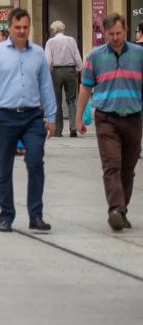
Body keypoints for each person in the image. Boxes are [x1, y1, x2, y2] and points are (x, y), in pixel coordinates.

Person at [0, 8, 56, 233]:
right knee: (4, 167)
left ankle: (36, 216)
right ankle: (6, 216)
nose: (22, 31)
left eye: (25, 27)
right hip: (4, 116)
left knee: (35, 162)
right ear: (9, 28)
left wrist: (52, 116)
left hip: (32, 116)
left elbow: (46, 86)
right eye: (17, 27)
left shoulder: (38, 53)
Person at [76, 12, 143, 232]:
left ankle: (121, 212)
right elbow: (86, 86)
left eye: (119, 32)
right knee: (112, 165)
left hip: (133, 117)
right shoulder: (95, 56)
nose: (115, 37)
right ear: (105, 33)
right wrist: (79, 117)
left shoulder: (139, 54)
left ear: (125, 30)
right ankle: (116, 210)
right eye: (111, 34)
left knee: (128, 169)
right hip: (106, 118)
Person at [44, 19, 84, 137]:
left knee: (57, 101)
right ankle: (73, 127)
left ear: (54, 30)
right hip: (70, 70)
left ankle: (58, 130)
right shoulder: (71, 40)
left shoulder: (50, 42)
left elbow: (48, 60)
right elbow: (76, 56)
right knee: (71, 100)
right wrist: (80, 68)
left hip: (56, 71)